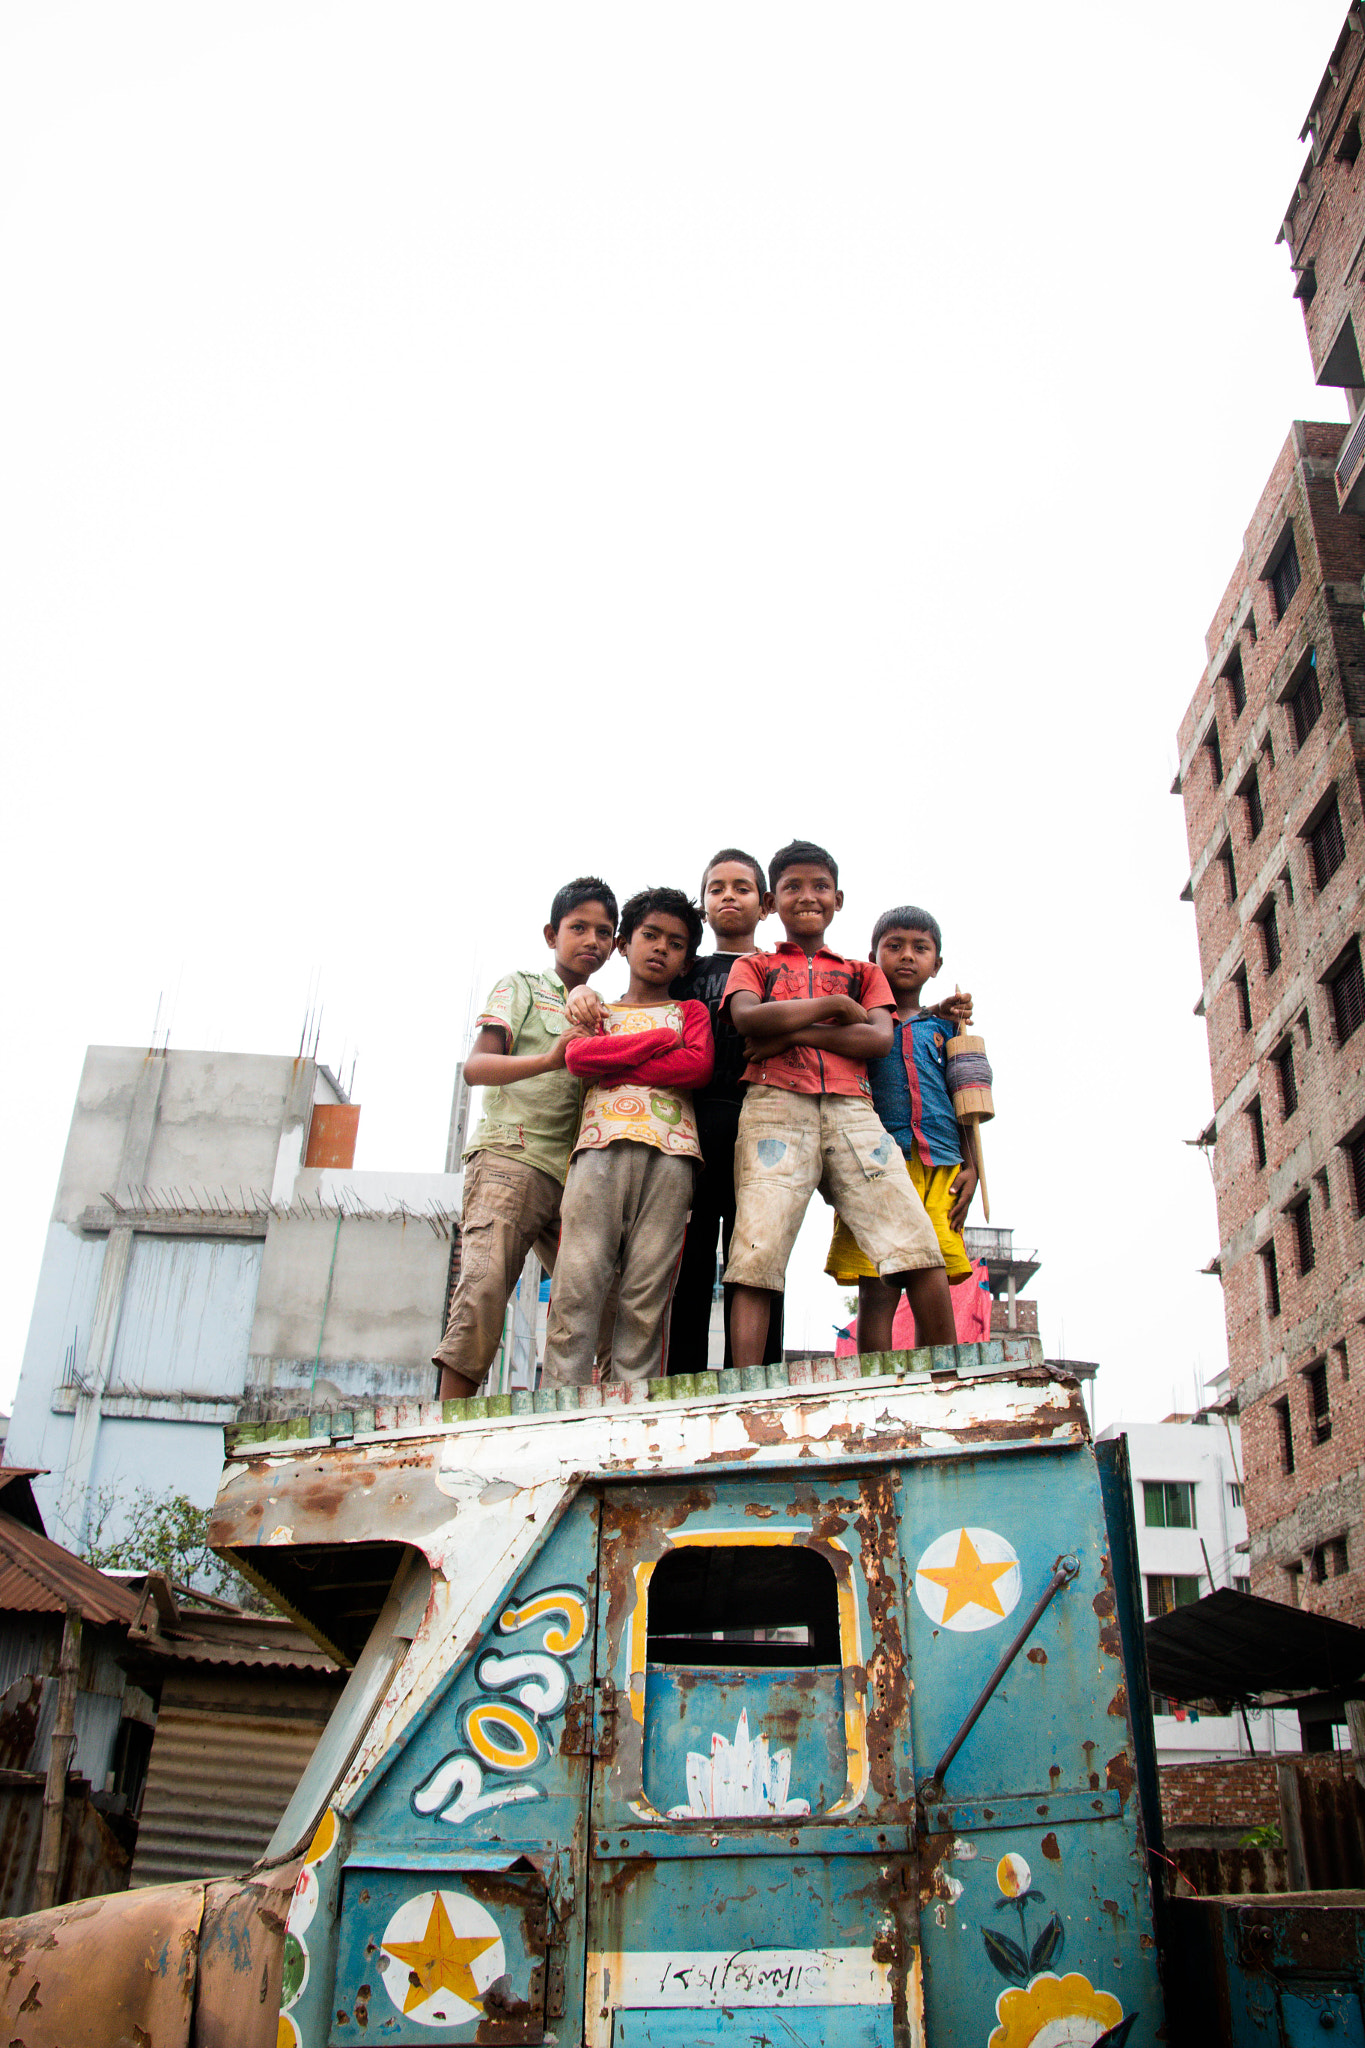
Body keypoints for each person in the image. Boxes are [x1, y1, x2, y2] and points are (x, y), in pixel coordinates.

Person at [721, 839, 957, 1365]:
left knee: (915, 1241)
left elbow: (877, 1040)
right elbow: (748, 1020)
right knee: (756, 1249)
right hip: (774, 1106)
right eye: (792, 887)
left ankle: (949, 1372)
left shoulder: (863, 970)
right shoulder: (756, 967)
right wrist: (833, 1007)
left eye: (820, 886)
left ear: (839, 898)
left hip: (853, 1108)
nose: (808, 897)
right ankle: (744, 1389)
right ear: (769, 902)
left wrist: (795, 1036)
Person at [431, 877, 618, 1401]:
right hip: (510, 1158)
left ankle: (599, 1419)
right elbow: (477, 1067)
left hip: (577, 1174)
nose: (591, 941)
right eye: (577, 927)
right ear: (550, 933)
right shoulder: (522, 986)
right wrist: (549, 1058)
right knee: (486, 1287)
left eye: (604, 932)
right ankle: (449, 1426)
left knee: (601, 1298)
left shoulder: (606, 1011)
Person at [542, 888, 713, 1387]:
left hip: (674, 1155)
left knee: (647, 1291)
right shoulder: (597, 1010)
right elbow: (578, 1059)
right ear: (624, 943)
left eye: (676, 943)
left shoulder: (691, 1013)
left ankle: (632, 1403)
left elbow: (697, 1065)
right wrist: (660, 1041)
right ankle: (559, 1400)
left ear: (686, 961)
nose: (661, 948)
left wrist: (617, 1056)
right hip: (598, 1148)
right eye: (650, 935)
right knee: (578, 1280)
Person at [824, 905, 979, 1351]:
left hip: (941, 1164)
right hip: (872, 1165)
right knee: (878, 1282)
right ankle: (875, 1384)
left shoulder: (950, 1028)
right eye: (894, 947)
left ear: (937, 963)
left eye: (919, 948)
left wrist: (973, 1167)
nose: (906, 956)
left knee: (933, 1273)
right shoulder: (861, 1021)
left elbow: (966, 1102)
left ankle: (943, 1376)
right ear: (872, 957)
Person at [665, 849, 785, 1373]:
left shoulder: (778, 969)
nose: (728, 896)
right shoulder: (683, 974)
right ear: (704, 904)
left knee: (758, 1254)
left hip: (762, 1121)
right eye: (716, 888)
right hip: (691, 1128)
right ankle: (682, 1380)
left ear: (765, 904)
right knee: (687, 1260)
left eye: (740, 887)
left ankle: (756, 1378)